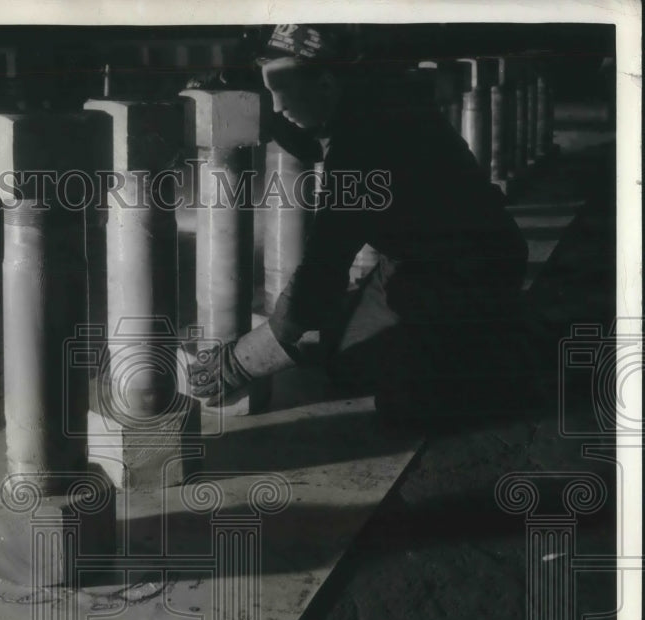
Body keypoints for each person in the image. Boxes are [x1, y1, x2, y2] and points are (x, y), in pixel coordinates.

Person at [188, 24, 536, 428]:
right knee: (344, 364)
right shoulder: (363, 95)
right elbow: (305, 135)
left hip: (469, 265)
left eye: (283, 98)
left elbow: (323, 267)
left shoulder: (362, 148)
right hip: (414, 260)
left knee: (405, 408)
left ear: (326, 82)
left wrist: (240, 362)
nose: (278, 109)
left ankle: (505, 350)